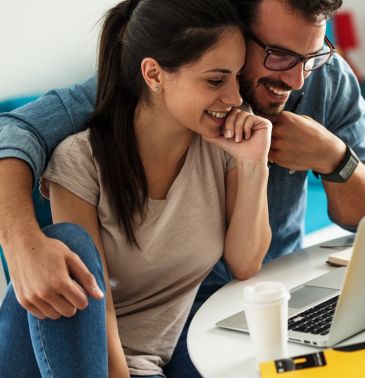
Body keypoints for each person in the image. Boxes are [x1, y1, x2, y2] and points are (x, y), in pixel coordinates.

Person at [0, 0, 365, 375]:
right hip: (162, 326)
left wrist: (334, 158)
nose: (297, 80)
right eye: (280, 56)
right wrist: (20, 241)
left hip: (257, 295)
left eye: (313, 57)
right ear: (237, 35)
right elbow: (15, 131)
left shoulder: (304, 91)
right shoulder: (141, 87)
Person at [0, 0, 272, 376]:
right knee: (70, 243)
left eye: (236, 77)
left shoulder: (221, 149)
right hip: (73, 356)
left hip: (151, 359)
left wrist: (254, 163)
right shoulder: (81, 159)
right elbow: (101, 303)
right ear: (154, 74)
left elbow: (246, 263)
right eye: (215, 79)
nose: (235, 98)